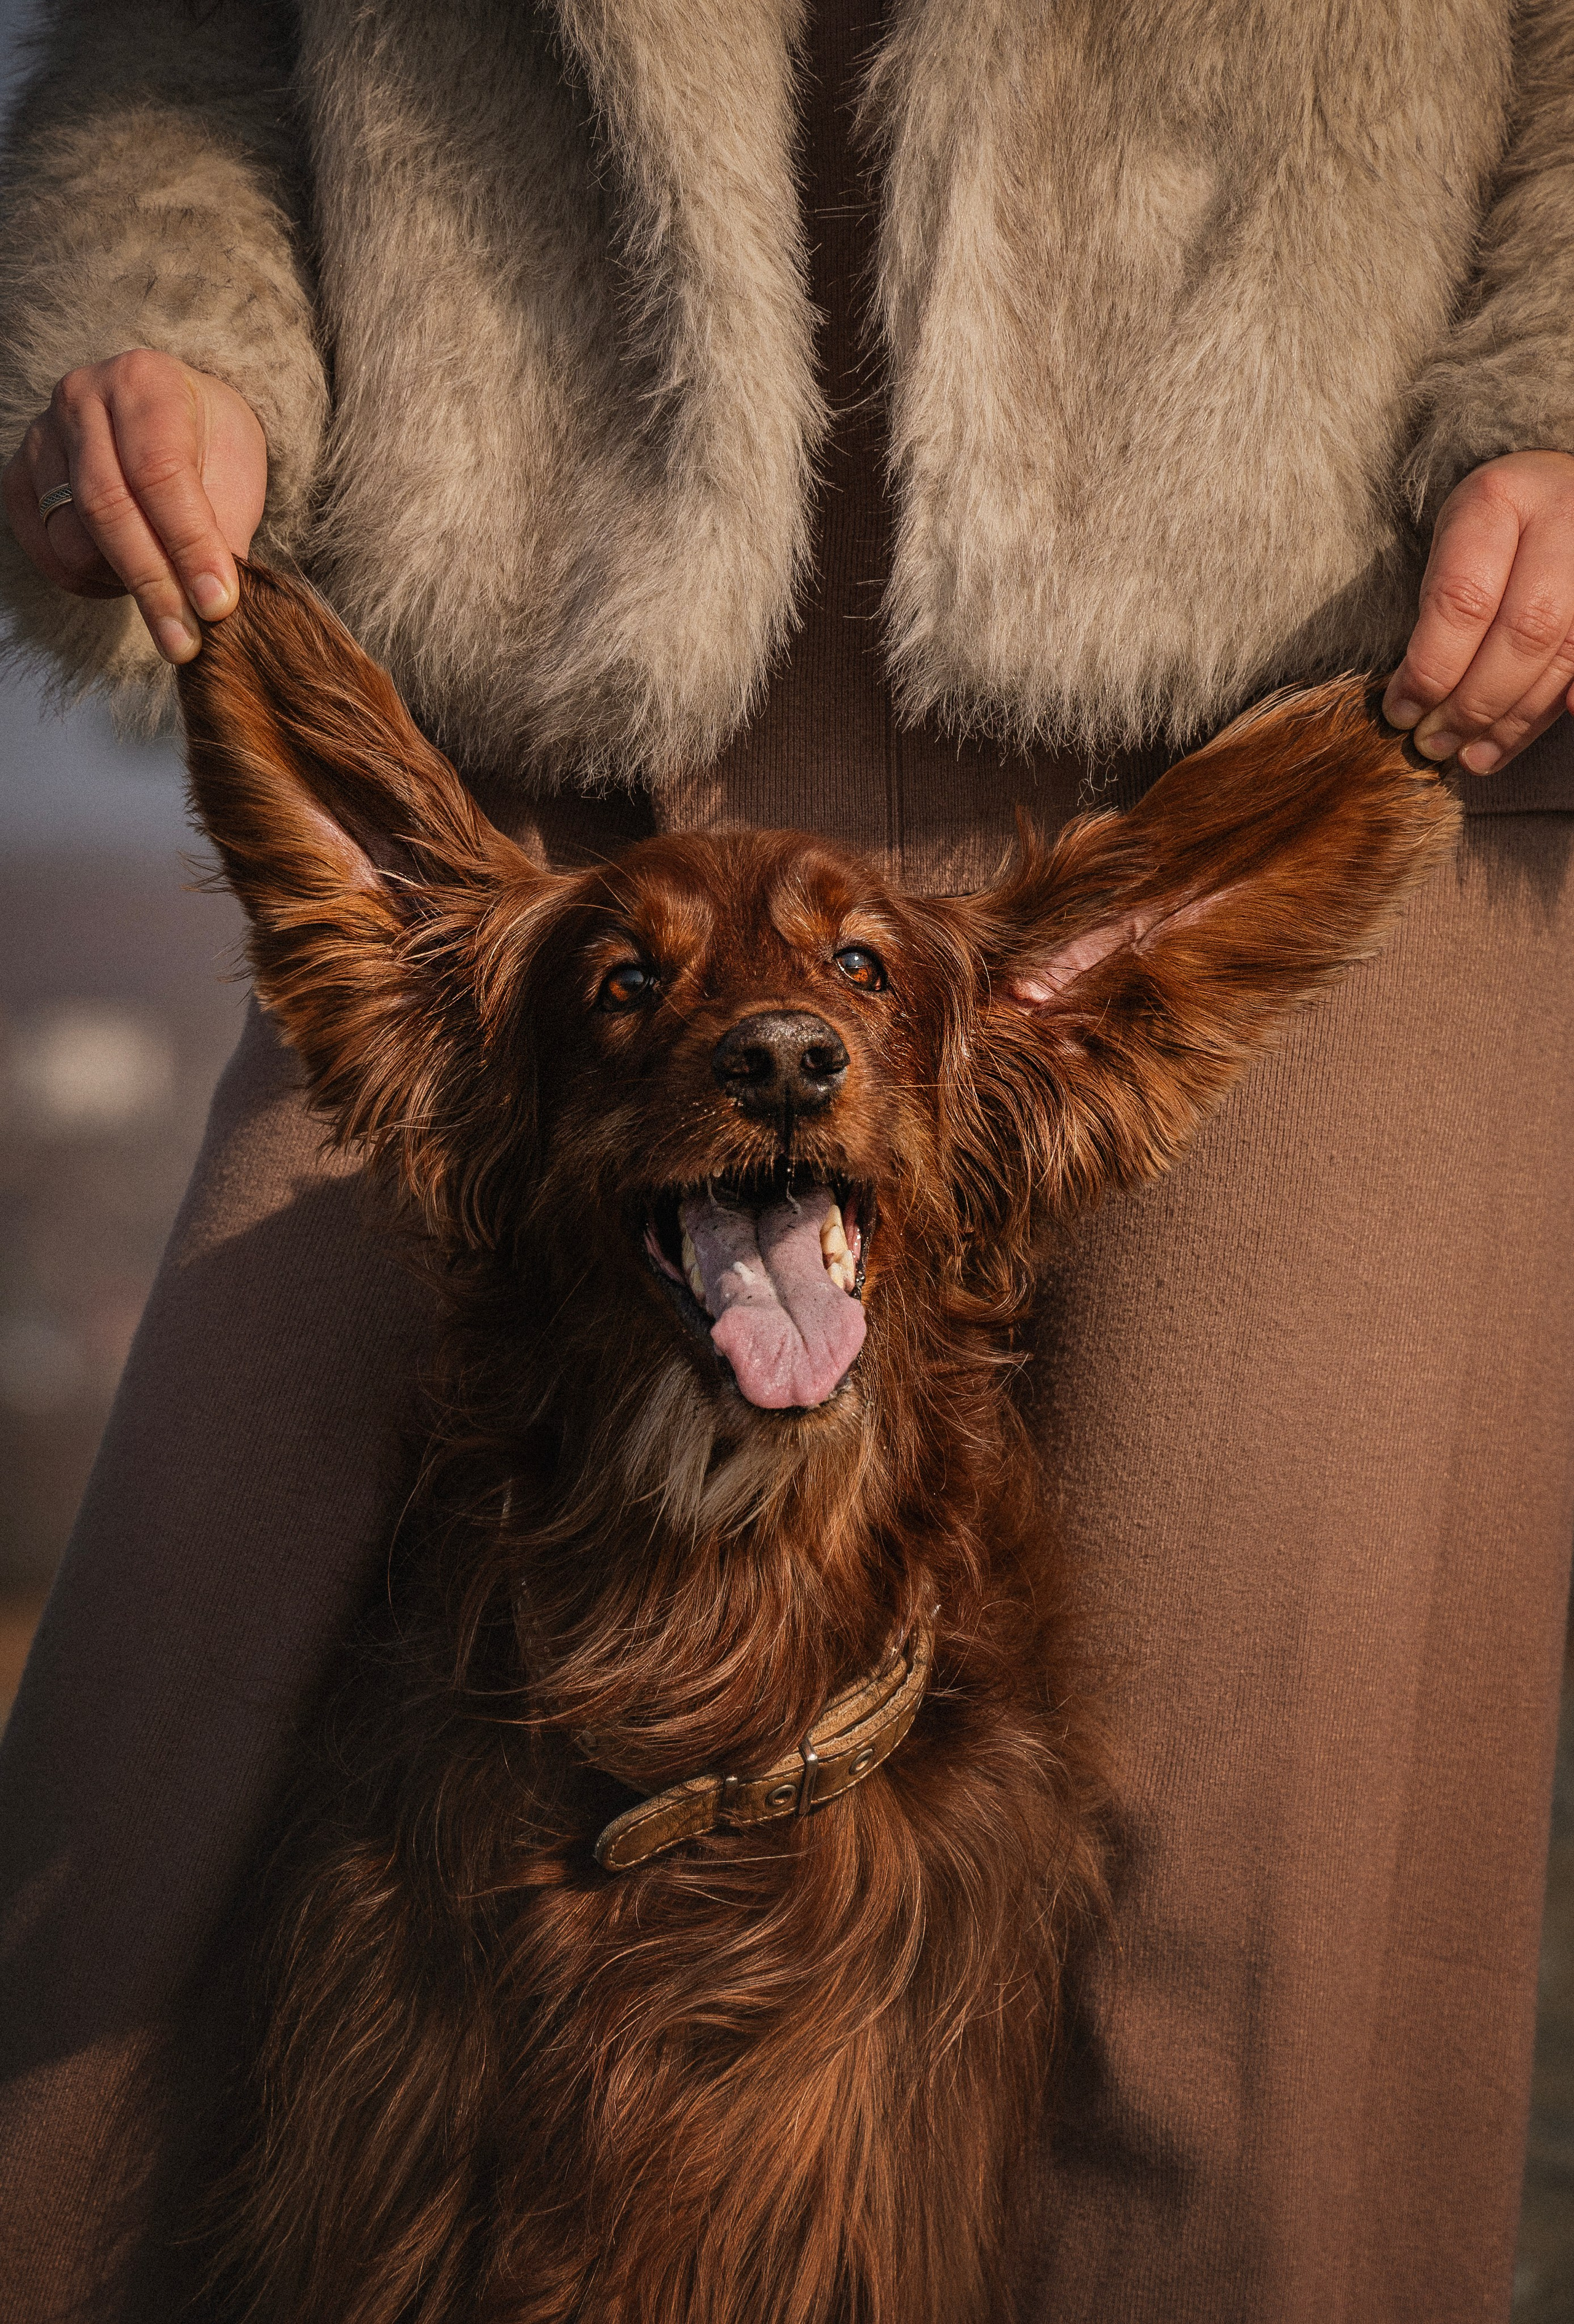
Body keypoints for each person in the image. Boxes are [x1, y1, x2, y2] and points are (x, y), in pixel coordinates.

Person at [2, 4, 1573, 2318]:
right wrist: (164, 326)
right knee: (170, 1735)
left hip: (1332, 667)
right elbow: (183, 37)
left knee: (1264, 1920)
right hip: (534, 656)